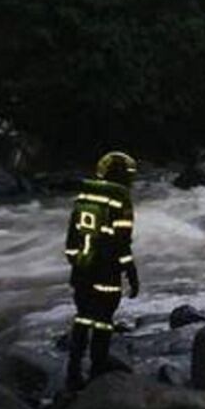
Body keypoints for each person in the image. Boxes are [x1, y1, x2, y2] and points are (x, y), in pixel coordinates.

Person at [63, 151, 140, 390]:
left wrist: (75, 260)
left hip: (81, 265)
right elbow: (122, 241)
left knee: (83, 315)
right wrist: (131, 272)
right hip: (106, 269)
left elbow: (72, 234)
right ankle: (98, 366)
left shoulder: (85, 194)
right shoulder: (120, 199)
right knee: (104, 319)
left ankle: (73, 370)